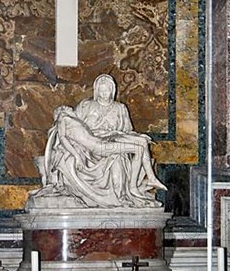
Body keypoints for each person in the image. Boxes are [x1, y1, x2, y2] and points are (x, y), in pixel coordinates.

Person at [35, 75, 166, 209]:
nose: (104, 94)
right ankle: (134, 188)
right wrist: (75, 153)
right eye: (101, 90)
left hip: (114, 140)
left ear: (112, 90)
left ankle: (131, 190)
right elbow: (69, 131)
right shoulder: (85, 105)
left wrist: (135, 136)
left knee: (136, 146)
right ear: (96, 90)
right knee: (133, 150)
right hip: (91, 148)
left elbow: (127, 131)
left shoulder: (120, 108)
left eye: (107, 90)